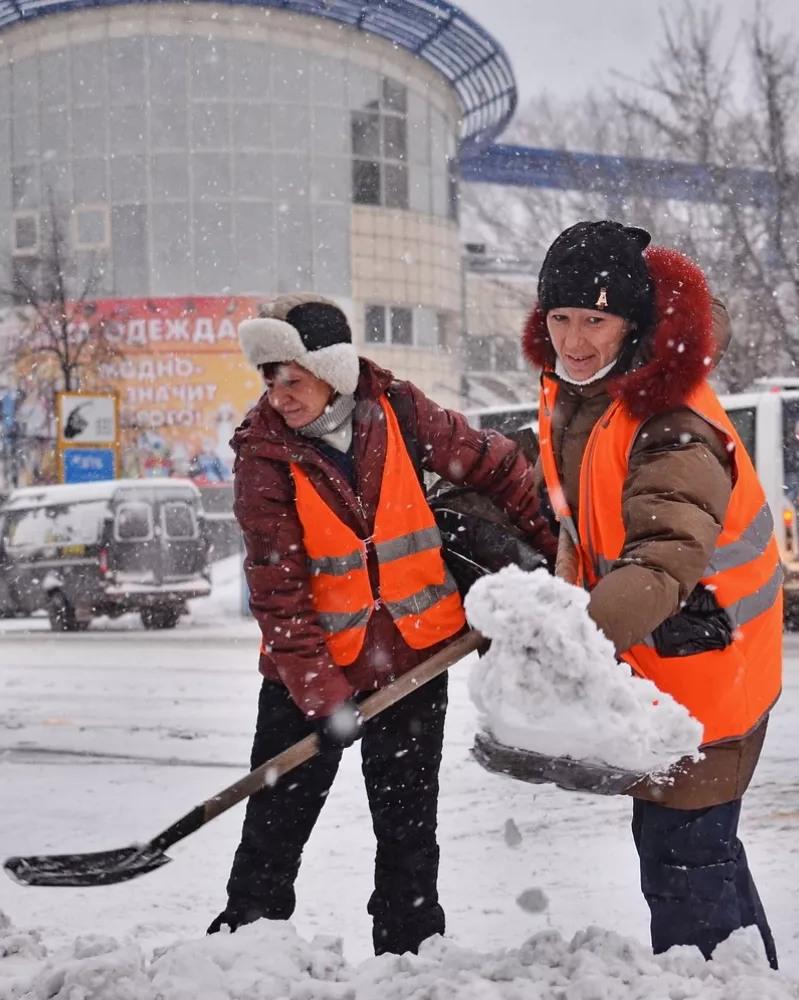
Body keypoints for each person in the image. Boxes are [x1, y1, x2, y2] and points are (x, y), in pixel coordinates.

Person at [215, 294, 556, 953]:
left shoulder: (397, 409)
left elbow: (497, 462)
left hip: (411, 658)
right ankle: (241, 952)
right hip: (305, 671)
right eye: (270, 381)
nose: (279, 397)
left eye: (294, 380)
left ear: (333, 373)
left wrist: (549, 554)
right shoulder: (264, 456)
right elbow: (278, 594)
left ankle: (411, 955)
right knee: (275, 827)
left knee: (407, 829)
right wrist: (324, 695)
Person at [523, 221, 783, 968]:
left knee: (685, 875)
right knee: (708, 859)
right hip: (680, 671)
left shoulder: (670, 424)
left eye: (593, 321)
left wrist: (569, 650)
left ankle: (716, 983)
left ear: (630, 323)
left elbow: (663, 562)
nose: (573, 339)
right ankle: (747, 980)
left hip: (707, 678)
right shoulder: (593, 394)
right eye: (560, 318)